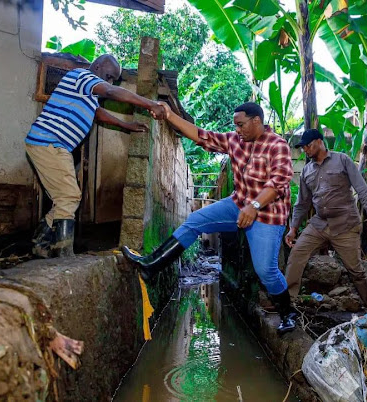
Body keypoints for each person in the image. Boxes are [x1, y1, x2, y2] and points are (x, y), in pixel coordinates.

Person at [122, 102, 298, 334]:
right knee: (195, 221)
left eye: (241, 125)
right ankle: (152, 266)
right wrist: (170, 115)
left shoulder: (278, 145)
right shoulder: (235, 140)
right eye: (235, 125)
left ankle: (288, 313)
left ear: (257, 121)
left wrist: (254, 206)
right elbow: (201, 135)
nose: (237, 130)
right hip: (238, 204)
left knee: (265, 270)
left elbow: (278, 183)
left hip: (268, 214)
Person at [26, 54, 166, 258]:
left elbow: (97, 113)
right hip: (48, 142)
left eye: (112, 79)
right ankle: (62, 253)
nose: (109, 82)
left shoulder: (88, 94)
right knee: (69, 196)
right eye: (108, 76)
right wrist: (150, 104)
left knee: (65, 198)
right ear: (98, 66)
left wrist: (126, 125)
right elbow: (110, 91)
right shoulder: (81, 76)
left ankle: (40, 244)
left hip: (53, 144)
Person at [284, 129, 367, 310]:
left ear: (320, 141)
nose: (305, 149)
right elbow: (302, 203)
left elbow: (361, 188)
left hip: (345, 224)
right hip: (319, 224)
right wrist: (293, 228)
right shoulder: (307, 170)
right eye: (303, 147)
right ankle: (287, 301)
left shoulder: (342, 160)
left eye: (308, 145)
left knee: (355, 270)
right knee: (297, 255)